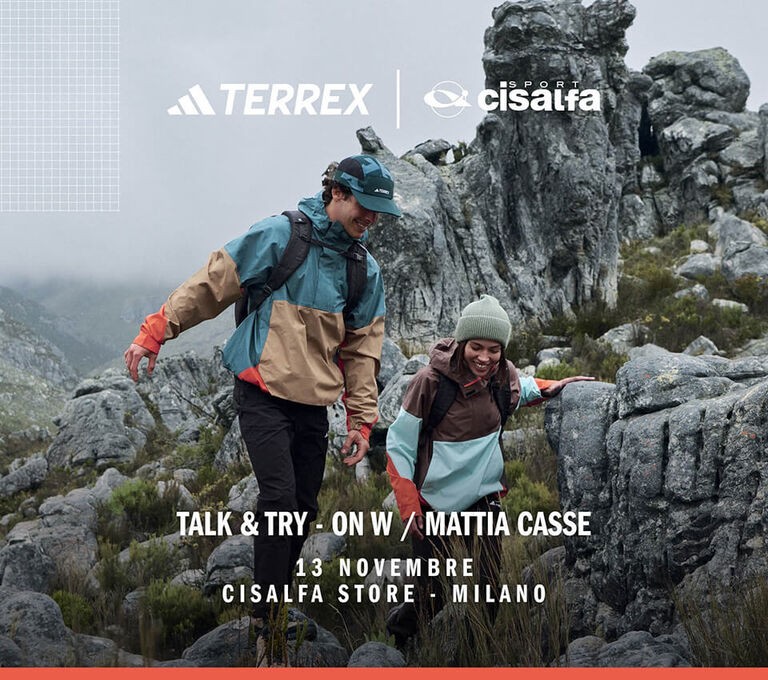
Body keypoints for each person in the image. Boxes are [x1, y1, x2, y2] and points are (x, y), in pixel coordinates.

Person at [124, 154, 401, 639]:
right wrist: (158, 329)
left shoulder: (364, 270)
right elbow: (214, 282)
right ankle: (267, 619)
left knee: (303, 508)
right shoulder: (281, 235)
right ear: (337, 193)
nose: (372, 218)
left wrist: (361, 420)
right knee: (278, 499)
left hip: (312, 403)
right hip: (262, 392)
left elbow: (361, 351)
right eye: (365, 206)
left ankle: (273, 604)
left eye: (380, 211)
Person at [384, 294, 592, 645]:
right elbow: (399, 444)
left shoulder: (502, 376)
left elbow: (522, 389)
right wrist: (408, 503)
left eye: (494, 350)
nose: (484, 357)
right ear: (462, 343)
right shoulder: (429, 382)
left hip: (482, 499)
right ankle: (399, 633)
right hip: (432, 503)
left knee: (490, 590)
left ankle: (472, 654)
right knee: (432, 595)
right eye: (476, 347)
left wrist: (552, 387)